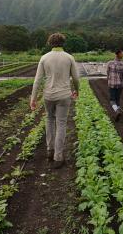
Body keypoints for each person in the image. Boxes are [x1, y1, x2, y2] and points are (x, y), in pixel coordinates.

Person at [30, 33, 79, 169]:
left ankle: (49, 151)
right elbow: (75, 78)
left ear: (50, 43)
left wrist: (33, 98)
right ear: (63, 43)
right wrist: (77, 90)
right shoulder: (69, 58)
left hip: (48, 95)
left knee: (49, 120)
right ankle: (58, 157)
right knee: (61, 123)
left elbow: (37, 80)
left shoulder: (44, 58)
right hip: (64, 95)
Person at [107, 49, 123, 121]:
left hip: (112, 84)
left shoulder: (110, 63)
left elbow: (108, 73)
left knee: (112, 100)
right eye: (122, 54)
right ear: (118, 54)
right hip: (120, 85)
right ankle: (118, 112)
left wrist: (109, 80)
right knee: (118, 99)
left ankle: (117, 111)